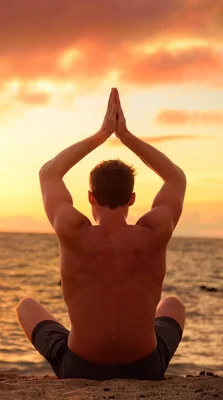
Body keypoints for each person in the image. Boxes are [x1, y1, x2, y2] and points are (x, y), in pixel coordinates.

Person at [16, 88, 186, 380]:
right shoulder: (156, 231)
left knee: (26, 306)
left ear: (90, 196)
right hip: (144, 366)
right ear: (131, 198)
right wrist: (126, 136)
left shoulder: (71, 230)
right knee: (173, 305)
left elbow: (49, 173)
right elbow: (175, 177)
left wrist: (102, 134)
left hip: (81, 366)